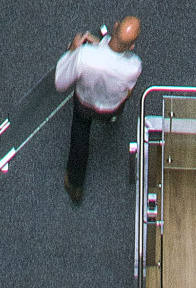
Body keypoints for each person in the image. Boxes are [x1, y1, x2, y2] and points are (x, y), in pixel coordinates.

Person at [56, 14, 142, 204]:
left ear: (115, 25)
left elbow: (60, 82)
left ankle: (75, 185)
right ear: (132, 46)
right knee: (116, 110)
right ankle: (112, 120)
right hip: (112, 107)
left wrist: (72, 52)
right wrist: (100, 45)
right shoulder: (134, 66)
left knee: (80, 137)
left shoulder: (84, 56)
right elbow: (128, 91)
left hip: (85, 104)